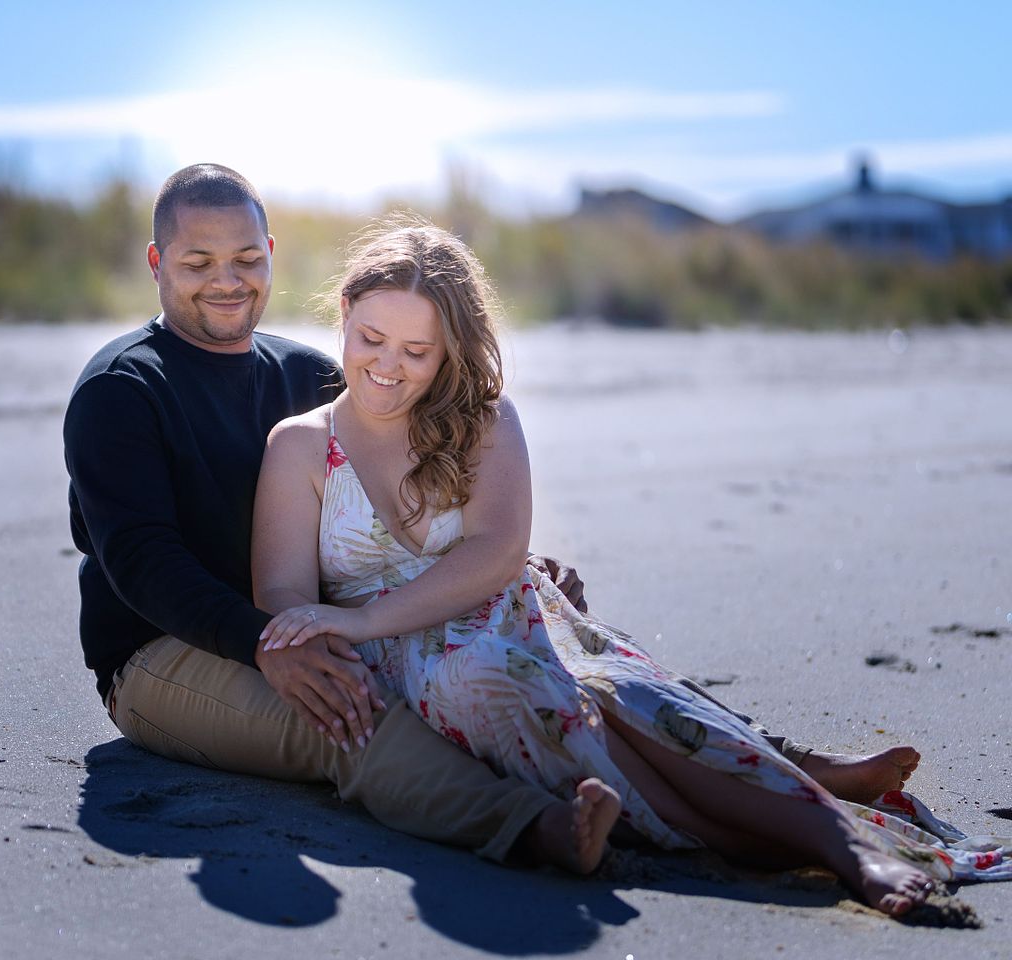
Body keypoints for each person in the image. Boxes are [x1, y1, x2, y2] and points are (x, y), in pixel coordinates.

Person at [64, 162, 922, 877]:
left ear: (270, 255)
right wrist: (265, 639)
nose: (226, 279)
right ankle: (533, 827)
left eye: (245, 256)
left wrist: (509, 563)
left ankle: (793, 768)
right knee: (345, 718)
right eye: (198, 261)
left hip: (298, 622)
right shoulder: (123, 390)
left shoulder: (310, 370)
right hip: (164, 653)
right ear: (156, 261)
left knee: (579, 650)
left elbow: (400, 484)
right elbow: (142, 564)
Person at [250, 216, 1010, 915]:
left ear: (450, 350)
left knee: (628, 702)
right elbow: (280, 591)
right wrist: (334, 633)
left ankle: (836, 840)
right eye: (371, 338)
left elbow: (496, 553)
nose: (387, 367)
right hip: (410, 664)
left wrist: (361, 615)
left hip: (514, 614)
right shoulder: (301, 445)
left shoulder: (483, 418)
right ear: (343, 311)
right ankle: (778, 837)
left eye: (417, 352)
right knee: (495, 684)